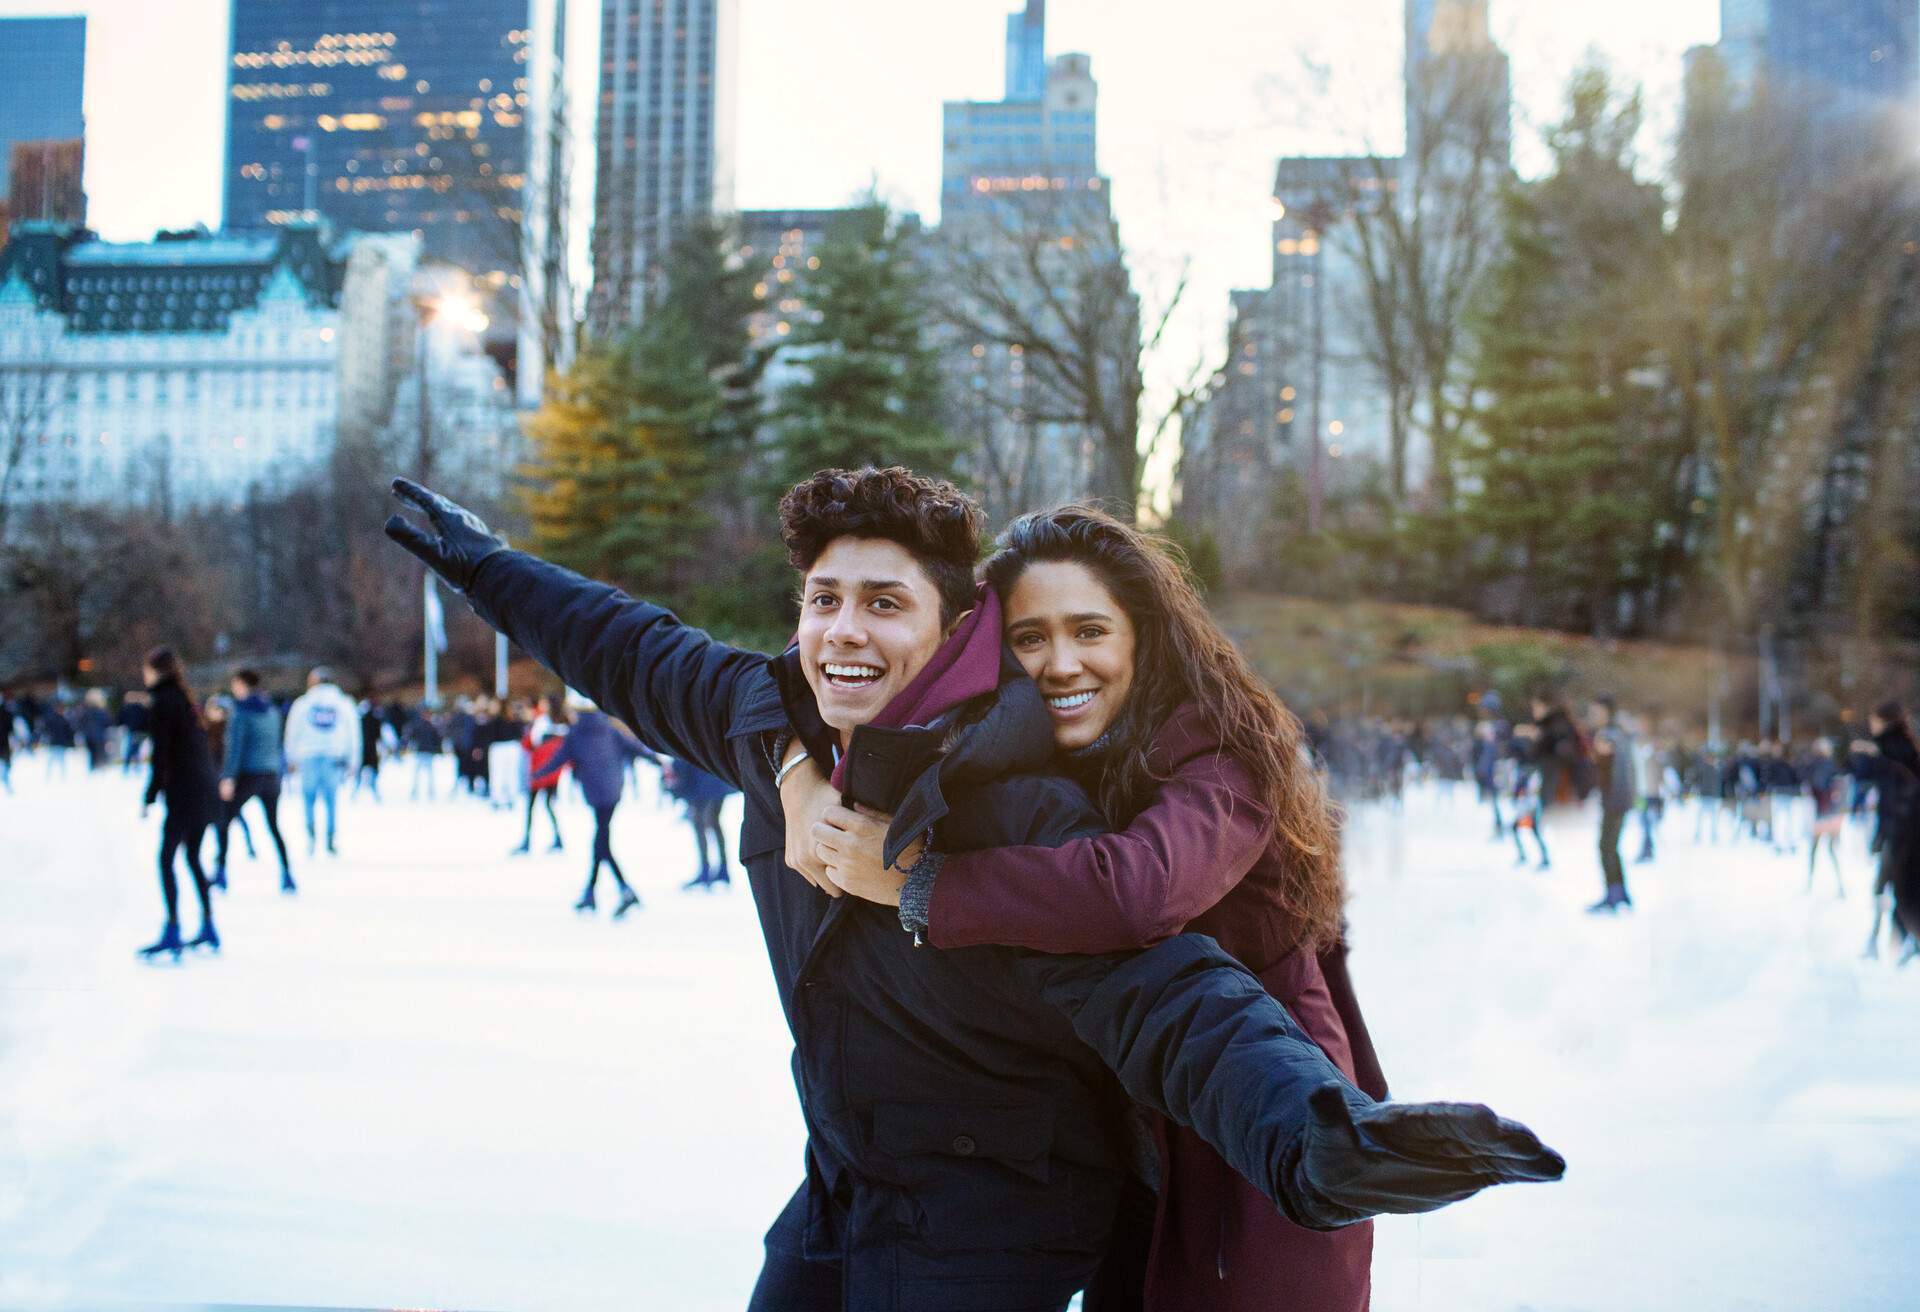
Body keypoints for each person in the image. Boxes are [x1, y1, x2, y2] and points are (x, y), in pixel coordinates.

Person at [385, 470, 1564, 1312]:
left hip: (1003, 1205)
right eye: (824, 600)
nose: (845, 630)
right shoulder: (779, 724)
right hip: (848, 1180)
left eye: (885, 602)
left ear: (959, 633)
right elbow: (637, 649)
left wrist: (1321, 1130)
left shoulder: (1033, 806)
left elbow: (1167, 983)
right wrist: (489, 570)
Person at [781, 504, 1385, 1311]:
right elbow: (761, 679)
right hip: (1128, 1127)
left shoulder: (1218, 751)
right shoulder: (1050, 761)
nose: (1060, 664)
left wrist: (922, 884)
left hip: (1253, 1120)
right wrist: (794, 769)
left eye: (1090, 631)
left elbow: (1140, 889)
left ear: (1144, 635)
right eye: (1029, 639)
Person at [138, 647, 221, 960]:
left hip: (185, 792)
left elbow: (161, 754)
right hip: (203, 788)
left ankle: (173, 928)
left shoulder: (163, 702)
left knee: (167, 858)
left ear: (156, 671)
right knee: (193, 857)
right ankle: (209, 925)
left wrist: (150, 794)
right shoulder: (187, 702)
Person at [545, 700, 652, 914]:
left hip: (595, 792)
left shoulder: (576, 734)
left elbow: (559, 760)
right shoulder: (609, 729)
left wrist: (537, 774)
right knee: (601, 841)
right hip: (613, 792)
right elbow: (636, 748)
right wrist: (658, 762)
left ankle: (618, 890)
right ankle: (593, 892)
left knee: (601, 843)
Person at [216, 668, 295, 894]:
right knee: (273, 826)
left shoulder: (240, 712)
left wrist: (228, 777)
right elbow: (277, 744)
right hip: (270, 776)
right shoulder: (271, 711)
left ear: (242, 684)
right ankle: (287, 873)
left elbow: (235, 748)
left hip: (248, 775)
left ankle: (220, 872)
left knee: (224, 820)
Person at [1857, 702, 1920, 962]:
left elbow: (1895, 799)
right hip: (1904, 831)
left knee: (1890, 887)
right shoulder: (1905, 748)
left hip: (1902, 833)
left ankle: (1898, 939)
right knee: (1890, 887)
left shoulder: (1890, 751)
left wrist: (1885, 834)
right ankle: (1895, 939)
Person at [284, 667, 358, 857]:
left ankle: (311, 837)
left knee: (308, 800)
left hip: (308, 755)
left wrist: (291, 756)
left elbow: (292, 731)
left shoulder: (303, 704)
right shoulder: (343, 703)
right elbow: (353, 733)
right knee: (331, 801)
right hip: (334, 755)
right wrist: (353, 760)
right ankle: (330, 839)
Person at [1588, 694, 1636, 914]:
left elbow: (1603, 758)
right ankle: (1620, 893)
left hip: (1614, 799)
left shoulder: (1608, 735)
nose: (1593, 717)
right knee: (1611, 847)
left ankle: (1613, 894)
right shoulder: (1621, 734)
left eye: (1596, 712)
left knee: (1605, 846)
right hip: (1621, 798)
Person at [665, 757, 737, 890]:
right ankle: (721, 870)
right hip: (715, 778)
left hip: (702, 782)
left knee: (701, 824)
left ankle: (708, 870)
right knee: (713, 823)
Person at [511, 697, 570, 855]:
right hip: (553, 770)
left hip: (540, 768)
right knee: (549, 804)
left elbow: (531, 742)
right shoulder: (564, 722)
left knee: (531, 806)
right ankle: (558, 839)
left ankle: (527, 840)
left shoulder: (542, 721)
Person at [1804, 737, 1845, 897]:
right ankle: (1840, 885)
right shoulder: (1833, 765)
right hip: (1832, 814)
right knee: (1831, 850)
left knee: (1815, 849)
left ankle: (1810, 882)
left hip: (1823, 814)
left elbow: (1817, 784)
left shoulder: (1817, 765)